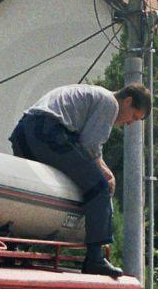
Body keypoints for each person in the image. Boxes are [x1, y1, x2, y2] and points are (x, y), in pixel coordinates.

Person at [8, 82, 150, 277]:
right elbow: (90, 145)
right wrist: (105, 172)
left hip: (24, 132)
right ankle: (95, 258)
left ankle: (13, 244)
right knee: (99, 187)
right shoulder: (110, 103)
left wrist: (100, 166)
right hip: (46, 132)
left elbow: (84, 146)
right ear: (127, 101)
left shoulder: (94, 94)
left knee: (38, 187)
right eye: (134, 116)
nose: (130, 123)